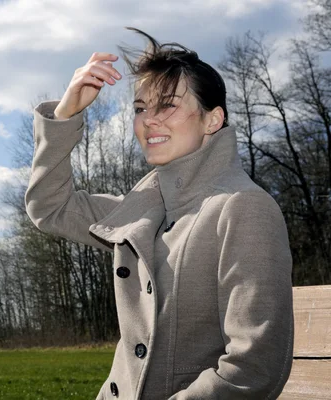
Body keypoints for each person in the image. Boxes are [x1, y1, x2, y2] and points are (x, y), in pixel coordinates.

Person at [25, 28, 294, 399]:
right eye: (139, 108)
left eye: (167, 104)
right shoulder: (143, 210)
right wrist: (65, 114)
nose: (148, 119)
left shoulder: (242, 207)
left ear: (212, 120)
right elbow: (49, 207)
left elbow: (254, 365)